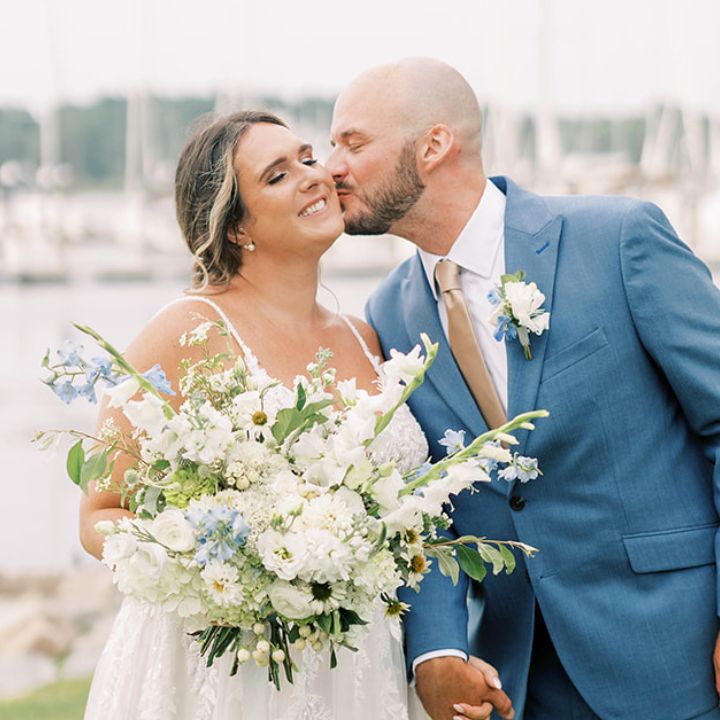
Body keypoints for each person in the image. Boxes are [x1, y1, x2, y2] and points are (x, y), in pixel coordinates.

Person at [327, 58, 720, 720]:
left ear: (434, 144)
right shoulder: (388, 313)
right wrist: (438, 654)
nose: (330, 165)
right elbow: (423, 506)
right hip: (518, 679)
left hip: (677, 655)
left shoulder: (619, 238)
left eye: (352, 142)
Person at [79, 110, 441, 719]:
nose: (312, 176)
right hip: (225, 665)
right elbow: (99, 513)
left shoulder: (365, 338)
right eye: (277, 176)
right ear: (235, 225)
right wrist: (223, 565)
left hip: (354, 660)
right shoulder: (183, 332)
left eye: (306, 158)